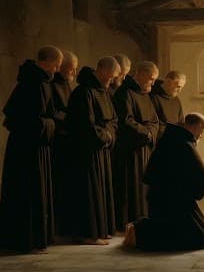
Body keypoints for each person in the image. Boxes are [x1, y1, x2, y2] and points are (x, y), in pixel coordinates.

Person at [0, 45, 63, 254]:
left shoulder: (37, 82)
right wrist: (53, 122)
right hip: (28, 149)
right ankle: (26, 240)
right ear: (46, 62)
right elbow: (31, 120)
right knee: (28, 192)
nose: (57, 70)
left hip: (31, 146)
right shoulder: (35, 84)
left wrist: (52, 120)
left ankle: (30, 239)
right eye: (56, 65)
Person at [123, 113, 204, 251]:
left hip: (161, 199)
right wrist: (190, 193)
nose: (201, 136)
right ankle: (139, 232)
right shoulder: (184, 143)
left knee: (192, 232)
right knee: (203, 237)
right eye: (202, 132)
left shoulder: (170, 138)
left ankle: (139, 230)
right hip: (174, 203)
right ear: (198, 126)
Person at [65, 57, 120, 245]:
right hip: (87, 151)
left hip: (102, 149)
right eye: (111, 77)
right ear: (102, 70)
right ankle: (89, 233)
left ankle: (101, 230)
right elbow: (84, 125)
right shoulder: (83, 92)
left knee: (102, 190)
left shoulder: (104, 92)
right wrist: (105, 136)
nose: (112, 81)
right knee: (89, 192)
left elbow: (113, 120)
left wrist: (109, 134)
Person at [112, 61, 160, 232]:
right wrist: (146, 133)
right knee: (130, 187)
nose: (153, 83)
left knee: (143, 187)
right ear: (141, 74)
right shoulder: (125, 93)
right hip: (130, 151)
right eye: (151, 79)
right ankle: (127, 223)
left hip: (144, 148)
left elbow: (155, 121)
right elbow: (125, 121)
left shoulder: (145, 94)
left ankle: (141, 220)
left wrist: (151, 132)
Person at [50, 50, 78, 237]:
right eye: (71, 69)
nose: (73, 73)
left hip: (68, 141)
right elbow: (53, 112)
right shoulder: (51, 86)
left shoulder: (67, 85)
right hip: (57, 142)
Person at [150, 70, 186, 141]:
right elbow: (152, 123)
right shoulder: (152, 96)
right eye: (178, 86)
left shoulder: (176, 100)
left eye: (181, 87)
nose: (179, 90)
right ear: (168, 82)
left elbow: (181, 123)